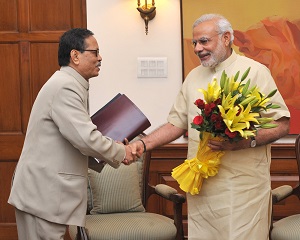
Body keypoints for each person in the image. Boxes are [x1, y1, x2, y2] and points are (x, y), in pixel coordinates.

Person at [130, 14, 290, 239]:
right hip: (202, 190)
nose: (197, 48)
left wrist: (246, 141)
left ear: (226, 38)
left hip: (243, 190)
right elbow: (176, 123)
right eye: (195, 43)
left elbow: (281, 125)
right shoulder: (194, 76)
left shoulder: (255, 72)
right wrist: (142, 144)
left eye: (204, 41)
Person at [8, 28, 137, 240]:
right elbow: (85, 138)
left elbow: (77, 138)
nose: (100, 58)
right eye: (95, 52)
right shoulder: (65, 86)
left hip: (46, 195)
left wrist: (110, 147)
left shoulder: (70, 84)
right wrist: (121, 152)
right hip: (42, 195)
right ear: (75, 56)